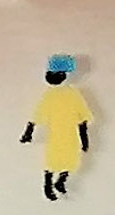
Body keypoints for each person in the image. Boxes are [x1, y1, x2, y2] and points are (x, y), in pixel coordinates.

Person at [20, 55, 91, 201]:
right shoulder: (51, 95)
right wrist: (29, 131)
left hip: (69, 133)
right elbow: (39, 113)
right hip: (56, 133)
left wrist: (84, 137)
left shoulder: (72, 94)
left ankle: (60, 181)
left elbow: (82, 115)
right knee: (53, 159)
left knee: (70, 159)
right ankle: (48, 184)